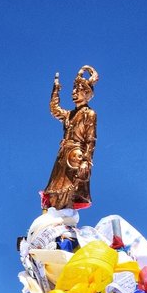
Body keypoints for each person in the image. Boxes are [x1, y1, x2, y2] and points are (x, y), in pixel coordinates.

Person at [41, 65, 99, 211]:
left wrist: (87, 161)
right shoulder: (69, 114)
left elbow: (90, 140)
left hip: (75, 156)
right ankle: (54, 216)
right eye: (73, 89)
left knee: (69, 190)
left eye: (78, 90)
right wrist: (56, 90)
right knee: (55, 191)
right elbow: (55, 110)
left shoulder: (89, 114)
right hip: (63, 154)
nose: (74, 93)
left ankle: (65, 217)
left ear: (87, 93)